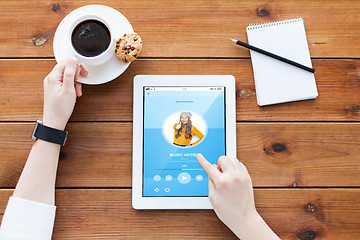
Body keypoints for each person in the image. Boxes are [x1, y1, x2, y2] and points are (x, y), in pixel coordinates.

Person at [0, 59, 279, 240]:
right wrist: (246, 220)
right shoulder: (178, 129)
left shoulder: (191, 128)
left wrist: (53, 122)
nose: (182, 119)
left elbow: (24, 229)